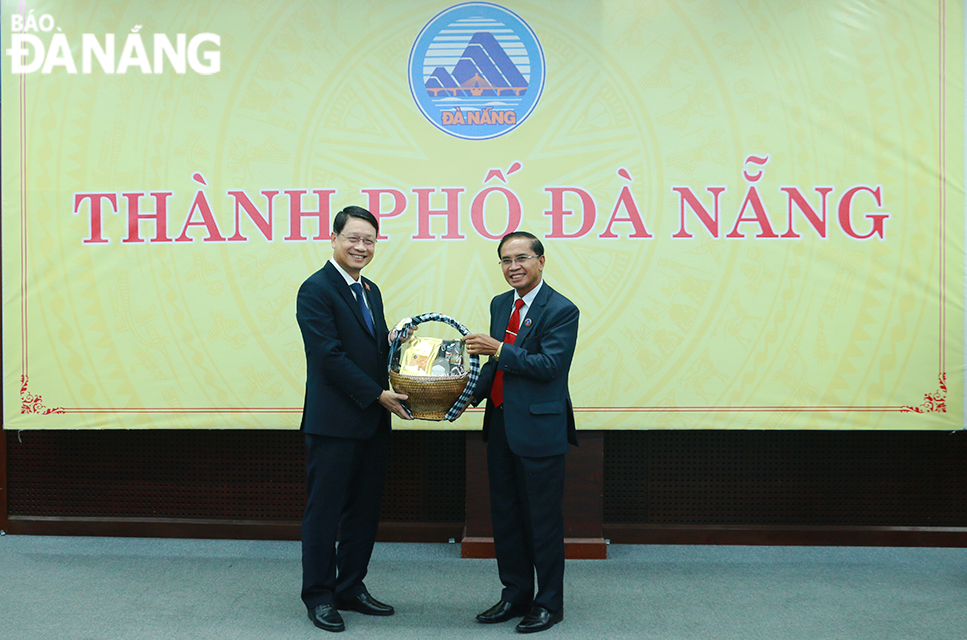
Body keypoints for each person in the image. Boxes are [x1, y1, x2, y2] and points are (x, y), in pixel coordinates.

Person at [296, 205, 412, 633]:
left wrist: (396, 345)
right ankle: (320, 596)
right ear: (334, 238)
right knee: (324, 514)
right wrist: (379, 394)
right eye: (354, 238)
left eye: (369, 241)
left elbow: (369, 349)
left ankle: (351, 587)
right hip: (334, 423)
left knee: (364, 513)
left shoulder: (371, 290)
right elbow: (329, 358)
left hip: (372, 421)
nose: (361, 247)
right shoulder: (315, 289)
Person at [463, 231, 579, 634]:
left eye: (522, 258)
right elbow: (497, 370)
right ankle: (515, 595)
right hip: (500, 426)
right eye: (506, 260)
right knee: (506, 518)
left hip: (539, 431)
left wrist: (498, 349)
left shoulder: (562, 309)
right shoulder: (501, 304)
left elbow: (549, 366)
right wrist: (462, 399)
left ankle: (549, 604)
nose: (514, 266)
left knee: (542, 522)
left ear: (541, 261)